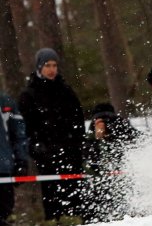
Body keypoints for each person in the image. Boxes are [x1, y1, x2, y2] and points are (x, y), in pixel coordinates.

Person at [18, 48, 84, 222]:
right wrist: (35, 146)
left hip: (71, 153)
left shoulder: (66, 91)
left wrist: (78, 144)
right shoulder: (29, 95)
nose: (51, 69)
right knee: (52, 196)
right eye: (47, 65)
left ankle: (75, 219)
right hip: (46, 155)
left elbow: (78, 120)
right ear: (40, 67)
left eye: (54, 65)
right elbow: (25, 127)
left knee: (74, 195)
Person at [83, 103, 140, 223]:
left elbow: (89, 150)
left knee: (103, 201)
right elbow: (136, 138)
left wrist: (94, 169)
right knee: (125, 197)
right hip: (123, 168)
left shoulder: (94, 124)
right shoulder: (120, 121)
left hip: (102, 173)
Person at [0, 93, 28, 226]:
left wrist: (21, 161)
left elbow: (19, 134)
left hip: (3, 169)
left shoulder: (6, 102)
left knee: (4, 213)